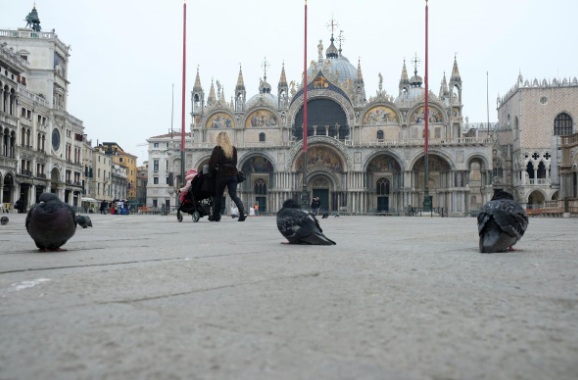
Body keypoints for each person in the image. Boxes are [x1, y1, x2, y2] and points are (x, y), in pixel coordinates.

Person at [208, 131, 246, 222]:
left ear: (218, 139)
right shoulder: (233, 149)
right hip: (233, 175)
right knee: (233, 195)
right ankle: (242, 213)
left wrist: (210, 173)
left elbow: (212, 163)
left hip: (222, 175)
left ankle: (216, 216)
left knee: (218, 196)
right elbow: (235, 163)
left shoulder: (217, 149)